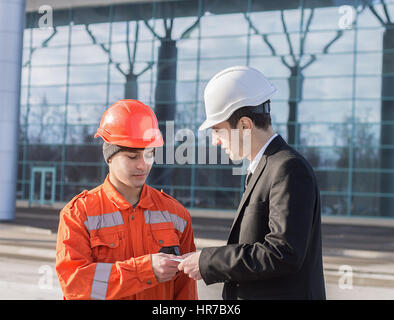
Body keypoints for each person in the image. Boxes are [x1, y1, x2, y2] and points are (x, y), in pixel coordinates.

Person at [178, 66, 326, 300]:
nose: (216, 142)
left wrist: (208, 261)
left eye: (218, 131)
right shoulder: (265, 168)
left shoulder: (288, 168)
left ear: (245, 126)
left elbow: (283, 253)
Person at [56, 99, 197, 300]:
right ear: (110, 157)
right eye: (132, 157)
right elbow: (75, 285)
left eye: (149, 155)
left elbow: (186, 292)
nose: (143, 165)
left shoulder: (177, 215)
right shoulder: (79, 214)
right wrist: (145, 270)